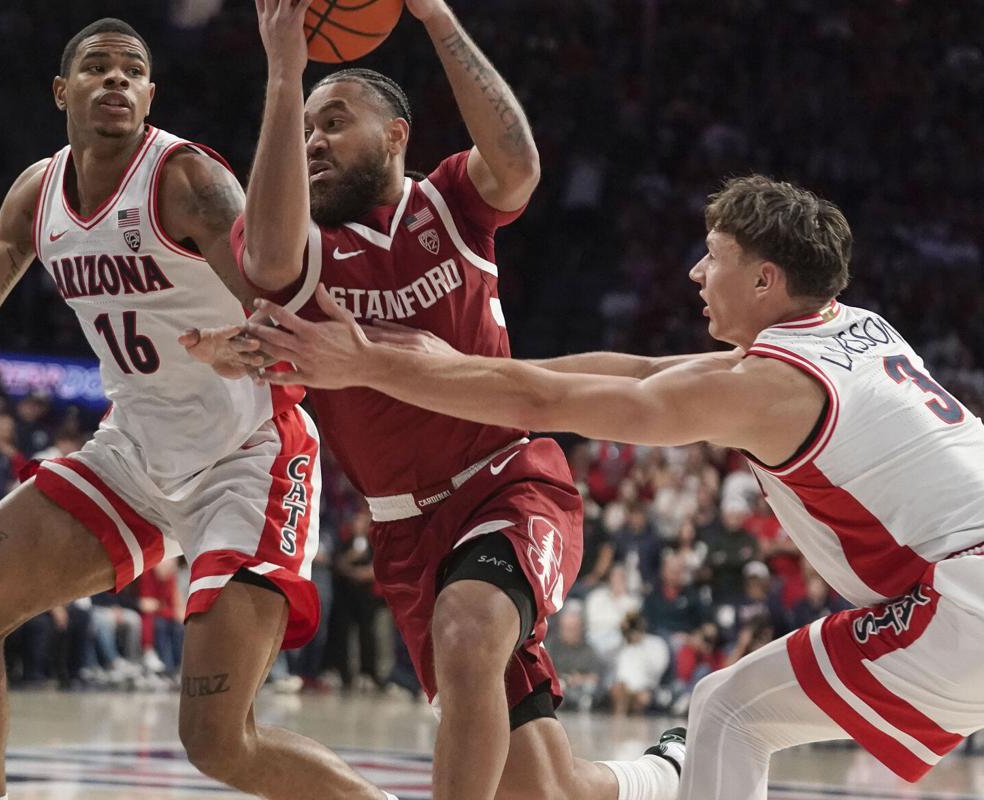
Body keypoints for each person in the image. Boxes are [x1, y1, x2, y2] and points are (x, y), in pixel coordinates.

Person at [240, 174, 984, 798]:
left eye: (713, 256)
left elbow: (546, 407)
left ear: (765, 279)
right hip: (960, 586)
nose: (696, 272)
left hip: (967, 600)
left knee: (728, 713)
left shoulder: (775, 387)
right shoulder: (853, 327)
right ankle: (655, 778)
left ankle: (654, 780)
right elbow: (641, 372)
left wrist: (368, 366)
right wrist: (440, 361)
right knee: (726, 708)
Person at [0, 17, 391, 800]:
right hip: (135, 453)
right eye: (97, 68)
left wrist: (242, 342)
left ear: (150, 95)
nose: (116, 80)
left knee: (217, 743)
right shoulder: (35, 194)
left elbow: (292, 315)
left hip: (250, 455)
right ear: (61, 91)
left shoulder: (186, 179)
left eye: (133, 71)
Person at [186, 2, 686, 798]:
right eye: (307, 127)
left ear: (396, 135)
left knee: (467, 632)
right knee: (541, 789)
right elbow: (270, 257)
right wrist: (286, 75)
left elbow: (518, 162)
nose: (314, 139)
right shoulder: (300, 246)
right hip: (406, 528)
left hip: (510, 479)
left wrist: (436, 16)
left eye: (336, 121)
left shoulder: (451, 201)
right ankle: (665, 774)